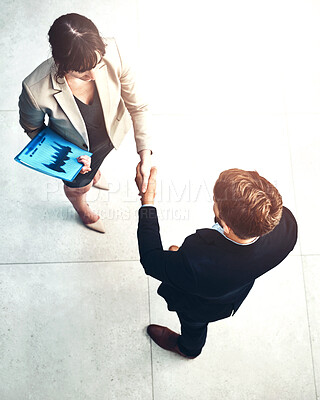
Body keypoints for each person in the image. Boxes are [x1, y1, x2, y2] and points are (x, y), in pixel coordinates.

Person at [135, 165, 298, 359]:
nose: (214, 203)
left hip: (202, 305)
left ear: (227, 226)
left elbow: (151, 260)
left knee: (194, 325)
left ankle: (188, 349)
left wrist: (148, 202)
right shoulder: (286, 225)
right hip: (234, 288)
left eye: (216, 203)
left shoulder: (197, 263)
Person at [19, 13, 151, 233]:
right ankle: (82, 209)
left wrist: (145, 156)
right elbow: (33, 128)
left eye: (97, 64)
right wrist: (69, 158)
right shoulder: (35, 90)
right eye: (82, 71)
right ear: (61, 62)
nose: (92, 75)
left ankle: (96, 171)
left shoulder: (113, 52)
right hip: (76, 153)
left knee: (97, 167)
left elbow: (137, 106)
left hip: (109, 137)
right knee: (79, 188)